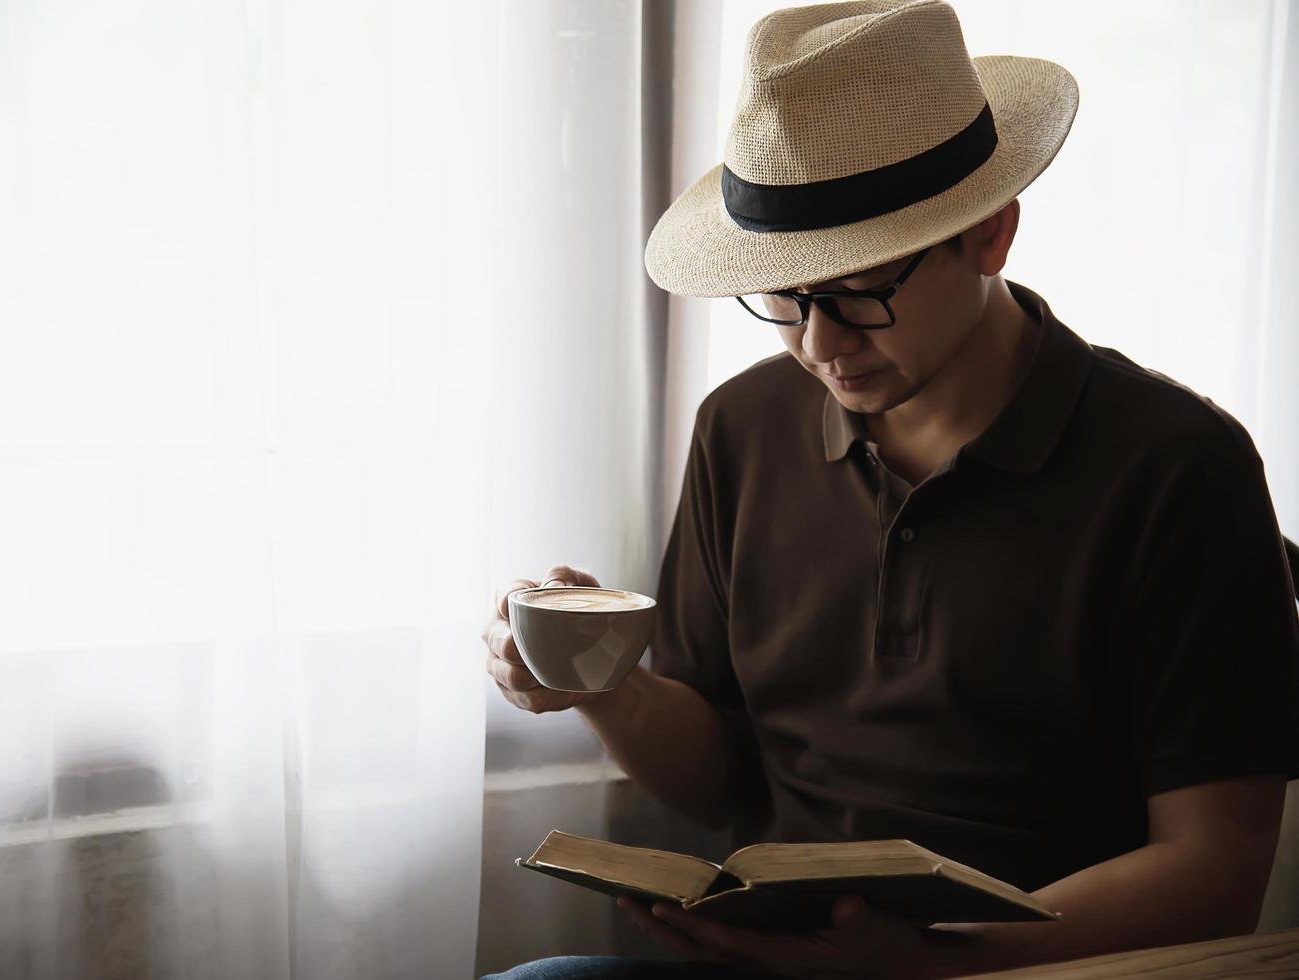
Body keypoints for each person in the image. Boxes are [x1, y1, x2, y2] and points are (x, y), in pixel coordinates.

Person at [480, 2, 1299, 977]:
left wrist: (932, 959)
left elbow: (1217, 867)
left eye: (861, 290)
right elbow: (717, 779)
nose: (819, 345)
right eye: (781, 296)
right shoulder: (742, 427)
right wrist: (604, 682)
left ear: (990, 234)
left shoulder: (1176, 468)